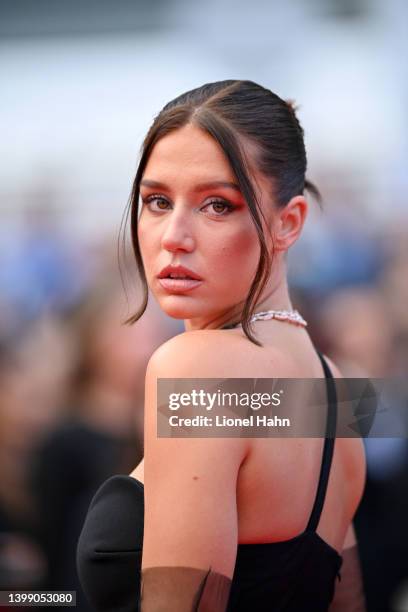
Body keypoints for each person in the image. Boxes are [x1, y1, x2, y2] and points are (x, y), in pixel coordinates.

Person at [76, 79, 367, 611]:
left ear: (289, 222)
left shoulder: (195, 370)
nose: (173, 236)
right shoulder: (339, 389)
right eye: (157, 201)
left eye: (217, 205)